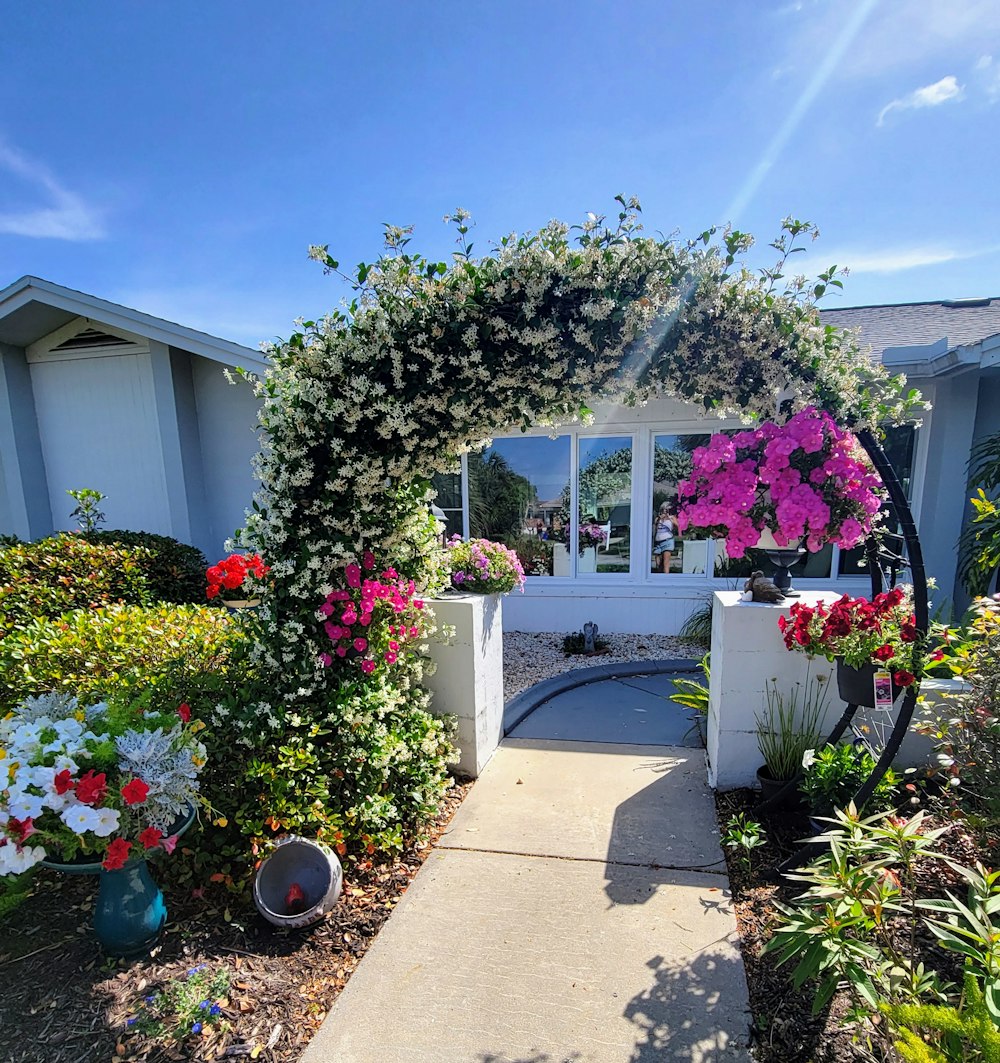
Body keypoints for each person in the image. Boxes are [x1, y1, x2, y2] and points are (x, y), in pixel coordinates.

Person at [652, 502, 676, 573]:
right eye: (664, 509)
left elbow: (678, 526)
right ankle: (659, 577)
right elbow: (655, 527)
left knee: (666, 562)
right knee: (658, 562)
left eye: (667, 509)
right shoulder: (658, 518)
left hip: (667, 541)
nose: (665, 511)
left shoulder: (672, 517)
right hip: (658, 542)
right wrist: (660, 519)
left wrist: (669, 519)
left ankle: (666, 578)